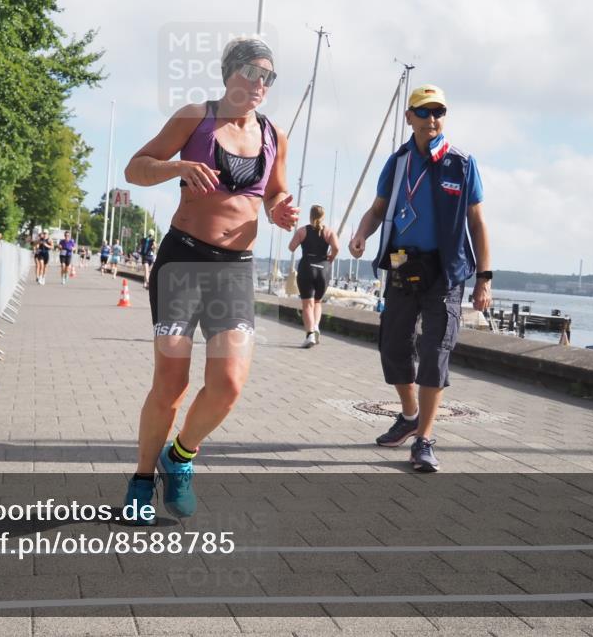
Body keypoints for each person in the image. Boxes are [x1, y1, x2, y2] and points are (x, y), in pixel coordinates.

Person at [122, 36, 298, 521]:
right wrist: (176, 166)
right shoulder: (194, 118)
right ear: (231, 74)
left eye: (270, 77)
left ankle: (179, 457)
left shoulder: (272, 135)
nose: (263, 84)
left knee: (228, 384)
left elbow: (276, 190)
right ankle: (140, 480)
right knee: (171, 383)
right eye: (255, 73)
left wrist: (280, 209)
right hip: (182, 263)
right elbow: (135, 169)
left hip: (235, 271)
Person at [349, 84, 491, 472]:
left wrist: (485, 278)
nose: (432, 119)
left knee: (434, 351)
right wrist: (362, 233)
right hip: (402, 267)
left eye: (439, 112)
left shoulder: (461, 163)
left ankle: (425, 439)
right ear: (408, 117)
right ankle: (410, 414)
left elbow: (477, 223)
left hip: (445, 272)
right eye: (424, 112)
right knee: (393, 347)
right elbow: (377, 209)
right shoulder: (397, 163)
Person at [288, 205, 339, 348]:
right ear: (323, 217)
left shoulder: (302, 231)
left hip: (307, 267)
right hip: (323, 268)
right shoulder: (329, 232)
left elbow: (291, 247)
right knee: (317, 302)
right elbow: (337, 247)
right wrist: (331, 257)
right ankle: (315, 327)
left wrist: (300, 240)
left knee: (307, 304)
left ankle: (310, 334)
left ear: (310, 216)